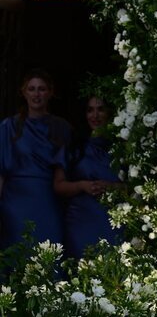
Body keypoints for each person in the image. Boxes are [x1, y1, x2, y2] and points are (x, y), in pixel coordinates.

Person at [0, 69, 72, 251]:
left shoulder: (62, 127)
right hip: (14, 204)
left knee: (50, 253)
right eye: (31, 89)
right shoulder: (9, 126)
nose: (36, 94)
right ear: (23, 92)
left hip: (48, 200)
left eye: (41, 89)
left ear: (50, 92)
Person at [54, 95, 122, 259]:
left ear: (109, 112)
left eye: (100, 109)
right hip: (81, 222)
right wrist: (82, 185)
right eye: (90, 110)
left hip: (114, 221)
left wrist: (112, 187)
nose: (95, 115)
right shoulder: (73, 146)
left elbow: (137, 187)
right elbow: (58, 185)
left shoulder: (122, 147)